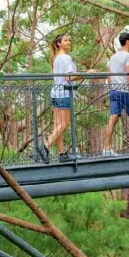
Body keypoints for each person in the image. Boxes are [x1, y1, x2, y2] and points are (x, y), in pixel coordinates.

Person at [38, 34, 94, 164]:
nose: (69, 42)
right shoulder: (65, 57)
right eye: (66, 40)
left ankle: (61, 154)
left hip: (56, 92)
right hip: (64, 93)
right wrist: (86, 74)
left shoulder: (56, 58)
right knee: (63, 124)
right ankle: (44, 147)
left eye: (69, 40)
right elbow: (68, 78)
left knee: (58, 125)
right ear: (59, 43)